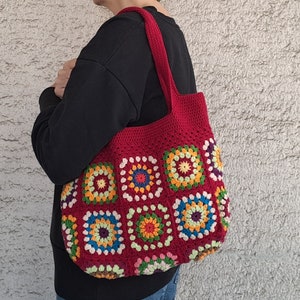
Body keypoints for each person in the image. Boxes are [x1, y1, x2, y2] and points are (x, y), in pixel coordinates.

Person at [32, 0, 197, 299]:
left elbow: (58, 157)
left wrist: (54, 99)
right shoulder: (166, 30)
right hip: (159, 265)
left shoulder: (123, 38)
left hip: (108, 281)